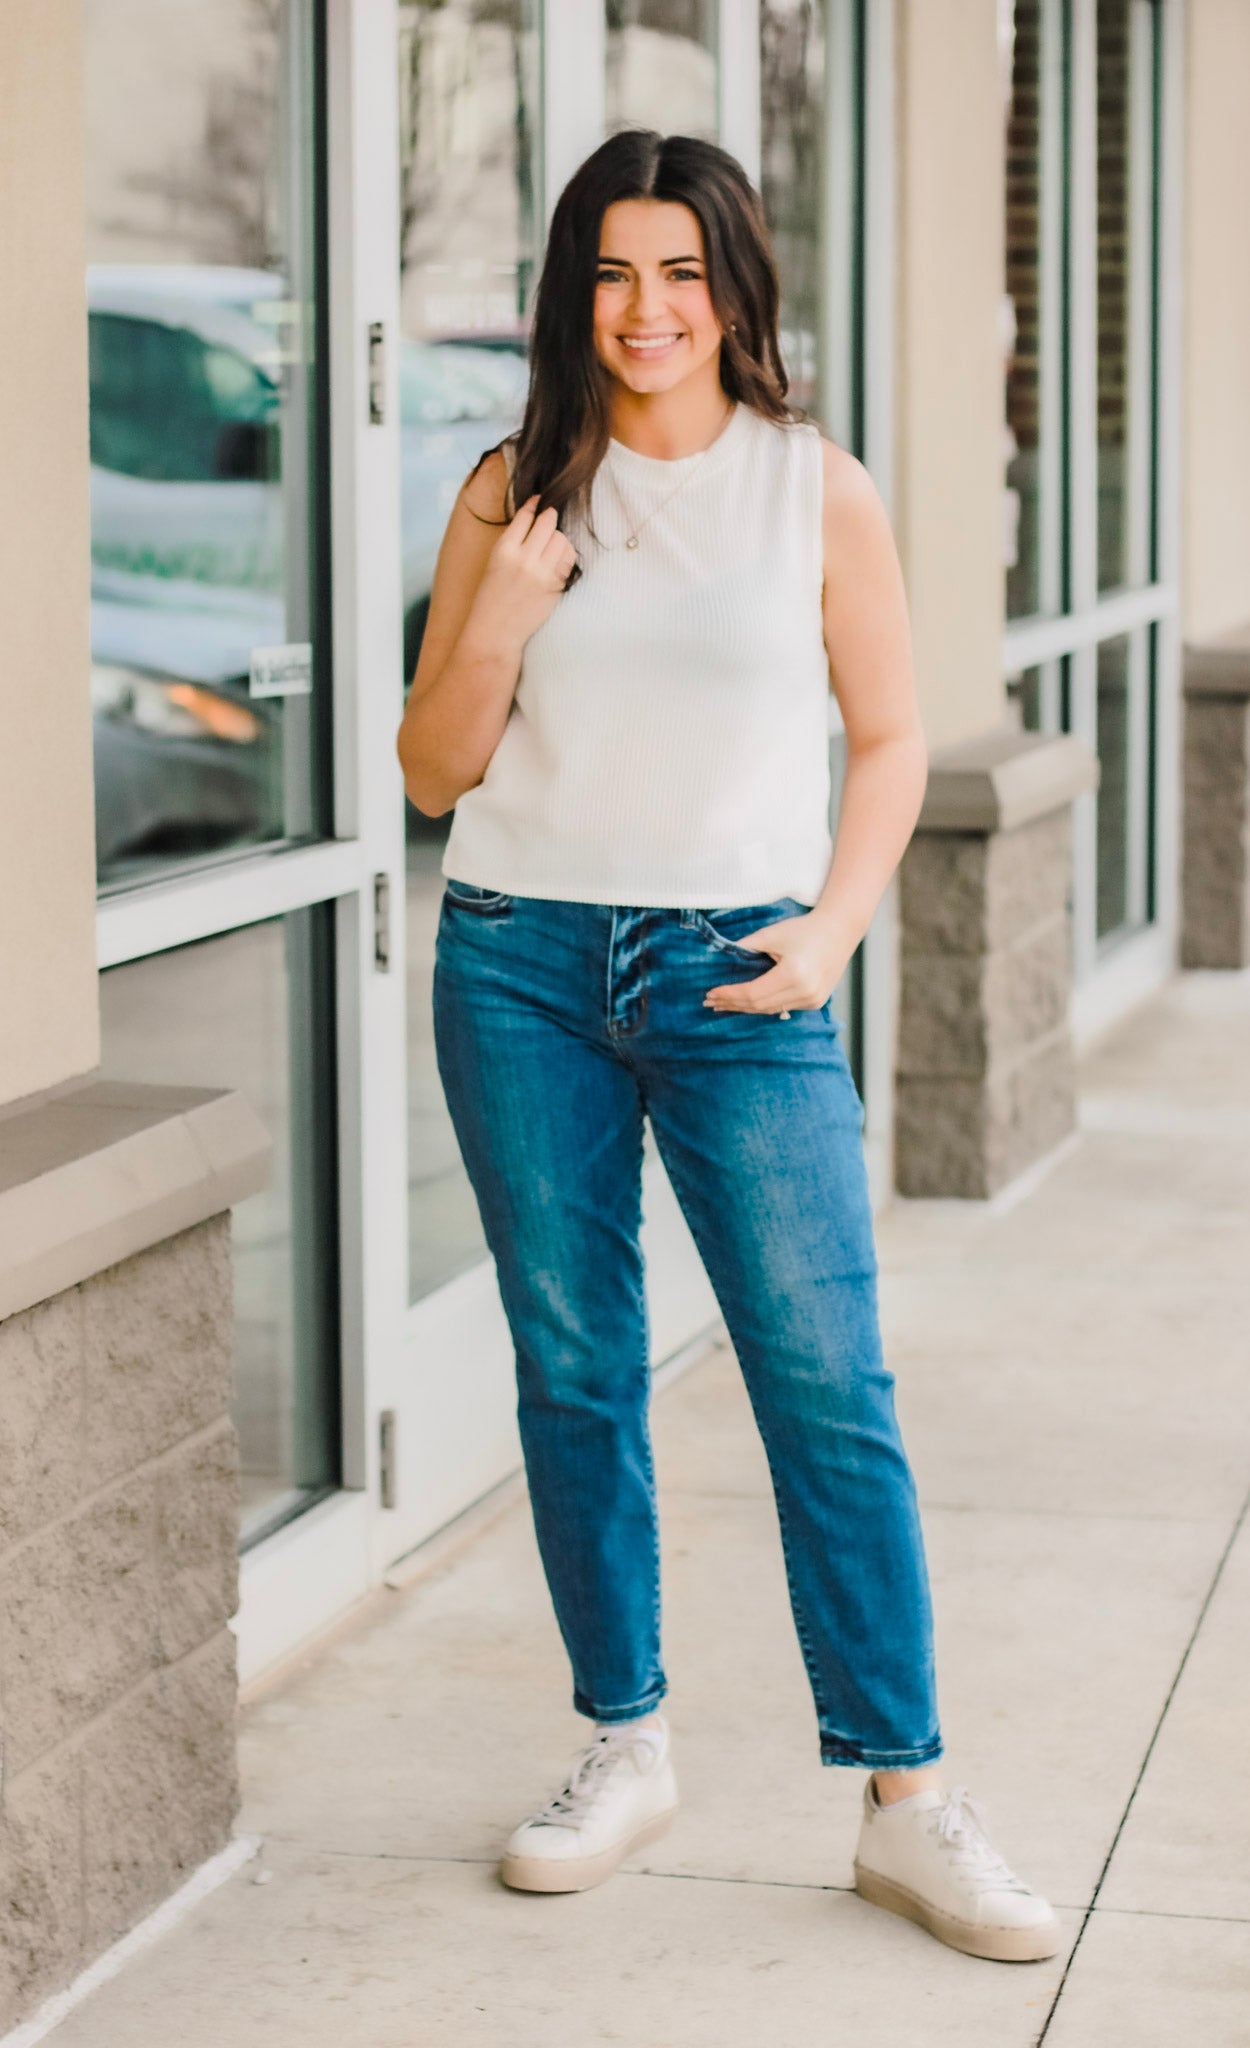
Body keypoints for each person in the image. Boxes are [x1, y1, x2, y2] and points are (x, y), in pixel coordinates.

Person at [396, 129, 1060, 1966]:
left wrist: (833, 931)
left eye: (679, 272)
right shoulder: (506, 490)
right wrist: (511, 613)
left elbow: (896, 735)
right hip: (519, 963)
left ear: (733, 288)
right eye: (609, 273)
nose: (643, 311)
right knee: (575, 1369)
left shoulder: (810, 489)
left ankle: (908, 1800)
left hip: (740, 980)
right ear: (567, 292)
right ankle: (622, 1744)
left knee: (826, 1388)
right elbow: (432, 770)